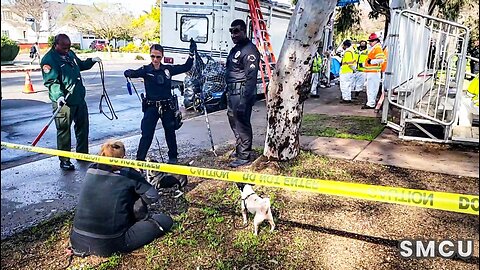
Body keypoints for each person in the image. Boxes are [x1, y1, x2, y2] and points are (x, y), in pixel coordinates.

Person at [69, 140, 174, 257]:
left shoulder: (91, 169)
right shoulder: (129, 174)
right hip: (110, 243)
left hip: (77, 240)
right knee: (165, 220)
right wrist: (138, 177)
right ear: (122, 158)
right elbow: (152, 196)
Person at [124, 40, 196, 164]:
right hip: (151, 107)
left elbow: (186, 67)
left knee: (170, 133)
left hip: (167, 106)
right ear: (150, 55)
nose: (155, 59)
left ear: (162, 56)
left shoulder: (167, 69)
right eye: (153, 56)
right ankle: (139, 161)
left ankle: (173, 158)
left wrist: (191, 54)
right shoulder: (146, 70)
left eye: (158, 56)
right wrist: (128, 72)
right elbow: (134, 73)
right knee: (147, 134)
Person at [40, 34, 101, 170]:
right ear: (56, 45)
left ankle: (83, 155)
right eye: (64, 47)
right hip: (64, 102)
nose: (67, 49)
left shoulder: (70, 54)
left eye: (68, 47)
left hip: (78, 98)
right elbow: (52, 82)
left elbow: (80, 65)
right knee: (64, 131)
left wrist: (91, 60)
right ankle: (65, 160)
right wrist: (59, 96)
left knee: (82, 127)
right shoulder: (49, 60)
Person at [225, 19, 260, 169]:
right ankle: (240, 148)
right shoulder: (236, 48)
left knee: (242, 123)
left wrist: (244, 100)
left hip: (242, 92)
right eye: (231, 31)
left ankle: (245, 155)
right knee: (234, 121)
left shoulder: (249, 50)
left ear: (244, 31)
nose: (233, 34)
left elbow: (251, 78)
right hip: (232, 91)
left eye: (236, 31)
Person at [362, 33, 386, 109]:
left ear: (376, 41)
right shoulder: (375, 48)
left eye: (371, 41)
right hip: (371, 72)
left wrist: (370, 62)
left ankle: (371, 103)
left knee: (371, 88)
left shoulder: (377, 48)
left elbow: (381, 59)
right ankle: (370, 102)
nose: (370, 43)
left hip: (373, 72)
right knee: (370, 88)